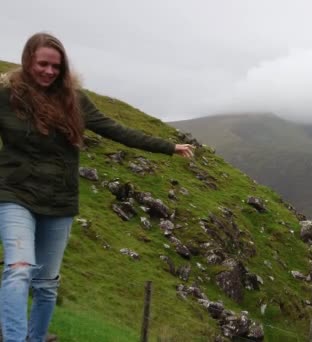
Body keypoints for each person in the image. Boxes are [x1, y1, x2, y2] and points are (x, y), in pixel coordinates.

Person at [0, 32, 195, 341]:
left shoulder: (74, 101)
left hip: (59, 200)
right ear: (27, 61)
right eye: (42, 64)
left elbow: (116, 130)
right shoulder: (6, 96)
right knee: (20, 269)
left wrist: (168, 146)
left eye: (56, 66)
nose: (49, 71)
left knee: (46, 284)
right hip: (15, 194)